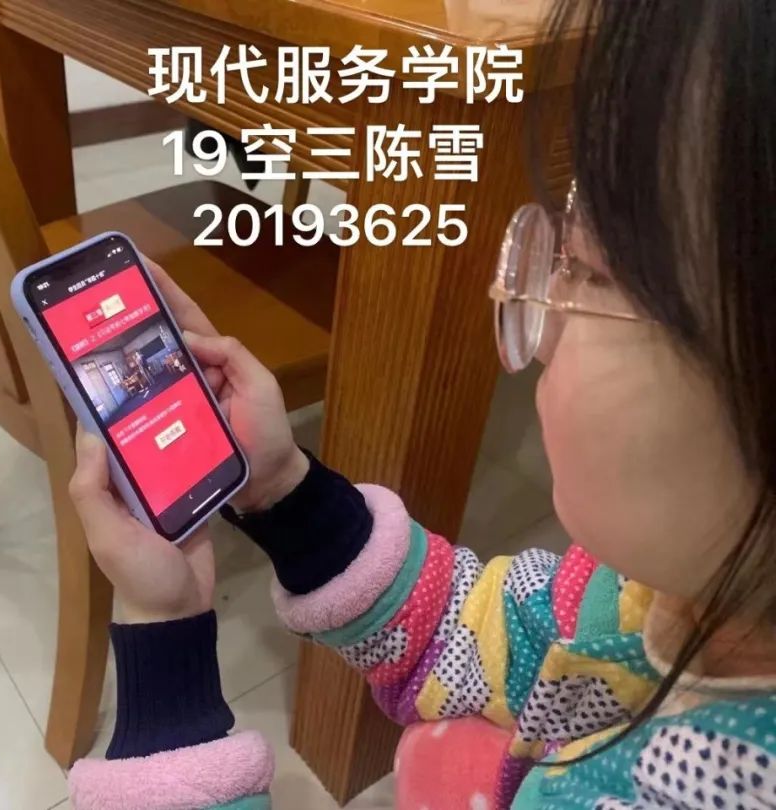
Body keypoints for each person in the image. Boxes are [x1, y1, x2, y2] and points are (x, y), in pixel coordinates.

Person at [65, 1, 776, 807]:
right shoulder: (659, 593)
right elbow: (492, 638)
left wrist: (165, 660)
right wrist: (286, 493)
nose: (542, 329)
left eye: (589, 270)